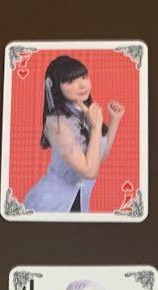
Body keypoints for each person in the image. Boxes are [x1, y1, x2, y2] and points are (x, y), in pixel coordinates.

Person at [22, 55, 124, 213]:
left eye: (84, 77)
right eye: (70, 81)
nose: (82, 85)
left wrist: (115, 120)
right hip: (52, 204)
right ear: (56, 86)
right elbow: (90, 171)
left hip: (80, 201)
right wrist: (96, 127)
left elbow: (98, 158)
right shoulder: (57, 123)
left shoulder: (85, 112)